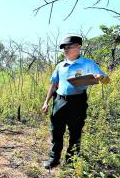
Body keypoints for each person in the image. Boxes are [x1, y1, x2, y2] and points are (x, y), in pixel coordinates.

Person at [41, 35, 110, 169]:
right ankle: (53, 159)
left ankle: (71, 162)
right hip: (59, 101)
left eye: (69, 47)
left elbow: (107, 80)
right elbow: (54, 84)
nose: (65, 50)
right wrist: (46, 102)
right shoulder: (60, 66)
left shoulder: (87, 64)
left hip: (77, 102)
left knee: (75, 132)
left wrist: (101, 77)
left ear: (79, 47)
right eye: (64, 48)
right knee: (56, 131)